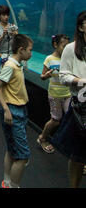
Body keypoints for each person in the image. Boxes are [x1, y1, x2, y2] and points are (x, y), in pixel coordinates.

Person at [51, 11, 86, 188]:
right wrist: (81, 81)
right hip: (81, 107)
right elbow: (63, 76)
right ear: (81, 27)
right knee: (77, 155)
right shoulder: (71, 49)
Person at [0, 34, 33, 189]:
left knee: (11, 149)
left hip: (20, 109)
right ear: (21, 50)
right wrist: (6, 109)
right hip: (13, 110)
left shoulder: (17, 64)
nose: (31, 54)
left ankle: (7, 183)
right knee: (22, 156)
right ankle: (14, 185)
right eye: (30, 50)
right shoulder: (10, 66)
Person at [37, 34, 70, 154]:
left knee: (70, 117)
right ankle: (42, 138)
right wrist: (46, 76)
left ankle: (65, 142)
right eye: (63, 46)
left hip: (68, 94)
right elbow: (42, 76)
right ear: (55, 45)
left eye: (68, 46)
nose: (66, 49)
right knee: (56, 120)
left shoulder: (69, 58)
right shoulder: (49, 59)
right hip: (55, 95)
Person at [0, 5, 18, 114]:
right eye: (3, 15)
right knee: (0, 81)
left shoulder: (13, 27)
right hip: (2, 56)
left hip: (13, 56)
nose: (6, 17)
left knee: (11, 82)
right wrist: (2, 35)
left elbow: (18, 43)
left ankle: (8, 104)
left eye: (7, 14)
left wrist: (16, 35)